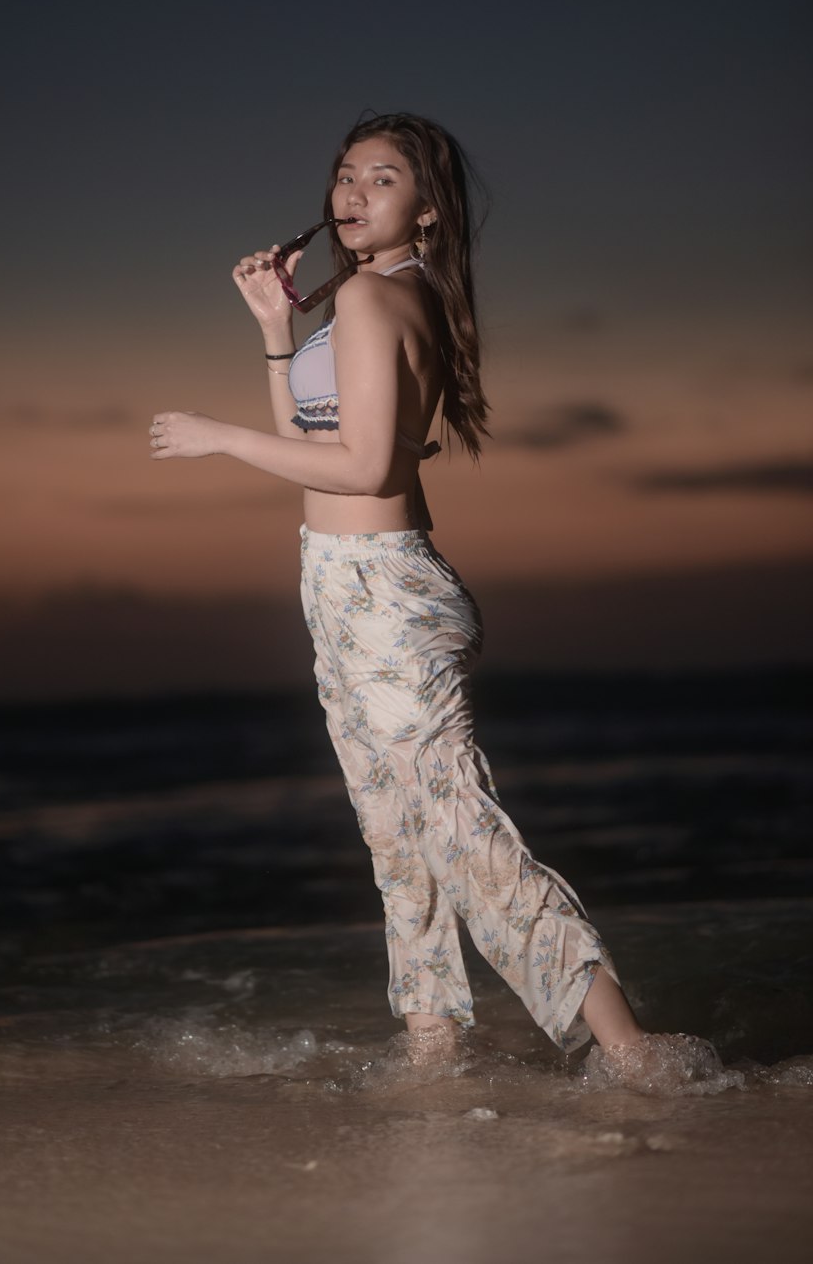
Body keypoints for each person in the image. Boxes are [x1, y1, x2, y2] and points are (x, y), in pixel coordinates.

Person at [149, 111, 649, 1064]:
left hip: (385, 593)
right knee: (398, 843)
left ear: (427, 211)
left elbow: (370, 466)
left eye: (383, 179)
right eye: (345, 175)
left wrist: (220, 438)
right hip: (342, 588)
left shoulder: (379, 303)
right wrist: (272, 333)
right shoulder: (366, 298)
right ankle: (433, 1052)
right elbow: (314, 451)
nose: (352, 193)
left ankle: (632, 1056)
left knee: (462, 835)